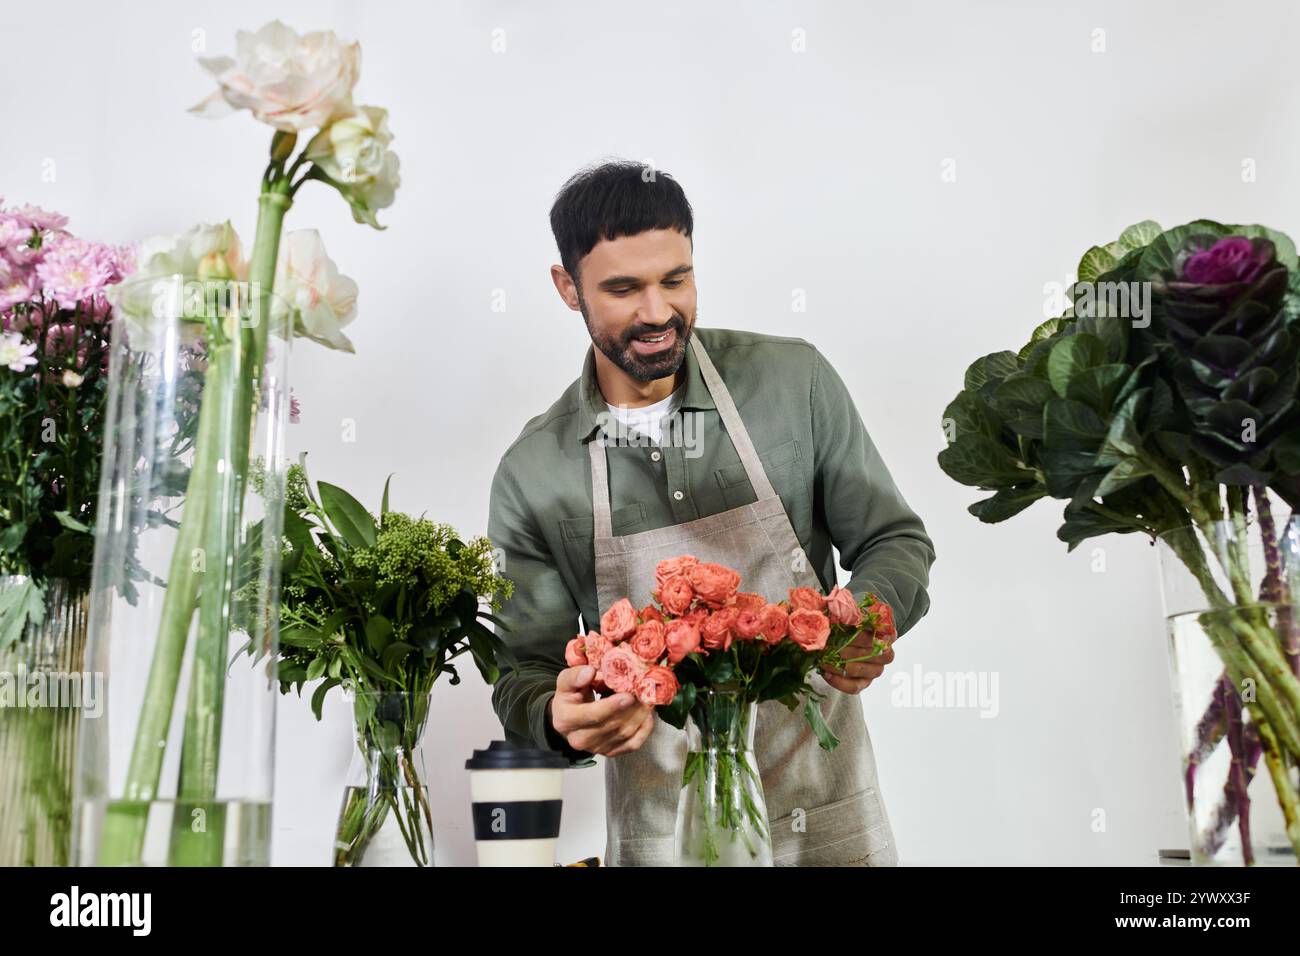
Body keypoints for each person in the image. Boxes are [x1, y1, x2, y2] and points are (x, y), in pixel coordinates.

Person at [487, 159, 935, 866]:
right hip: (664, 840)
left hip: (826, 821)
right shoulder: (533, 472)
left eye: (676, 279)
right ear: (567, 287)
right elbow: (525, 673)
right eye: (623, 288)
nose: (658, 313)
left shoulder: (795, 383)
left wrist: (869, 619)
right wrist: (557, 714)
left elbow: (894, 539)